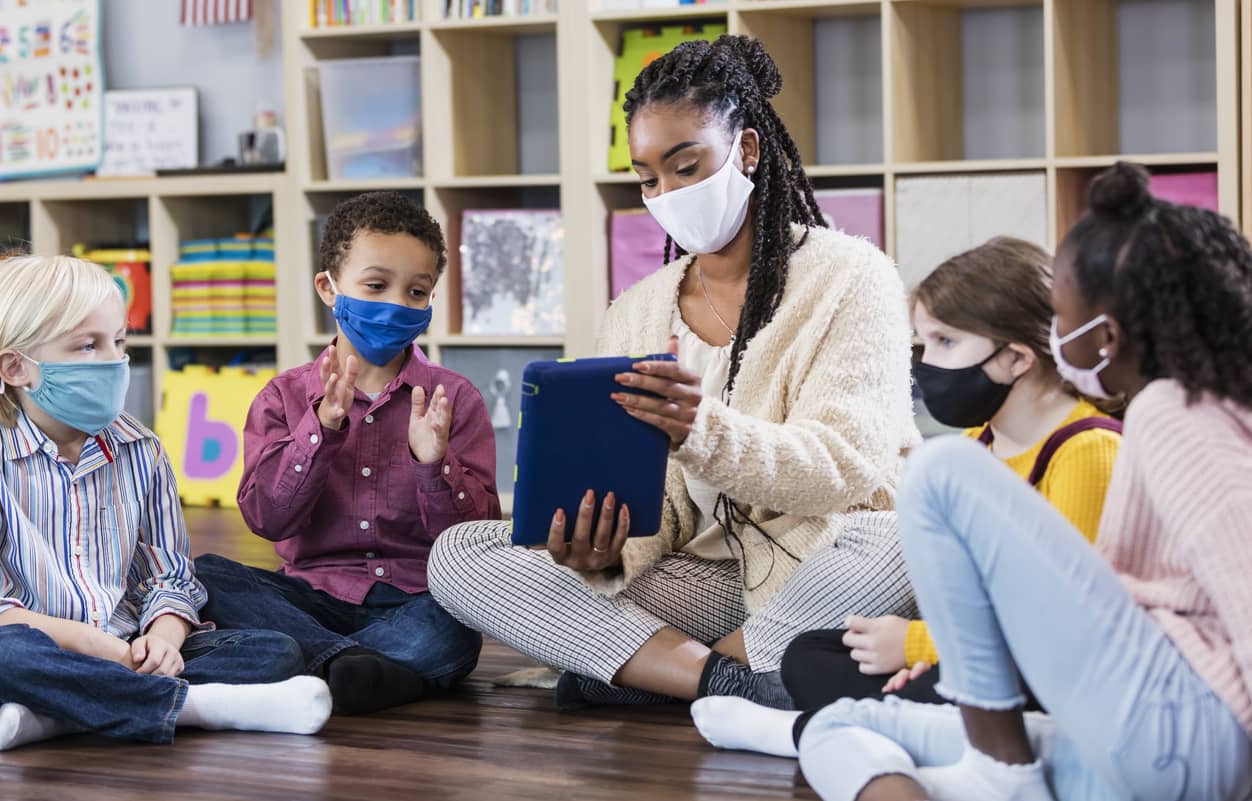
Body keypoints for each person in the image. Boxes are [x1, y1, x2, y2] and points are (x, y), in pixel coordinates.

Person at [703, 162, 1252, 801]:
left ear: (1105, 337)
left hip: (1182, 727)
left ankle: (997, 773)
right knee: (846, 725)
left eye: (1061, 317)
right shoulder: (1206, 403)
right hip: (1158, 733)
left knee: (938, 473)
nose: (1053, 335)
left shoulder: (1170, 414)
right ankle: (818, 735)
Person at [427, 34, 919, 711]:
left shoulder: (850, 276)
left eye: (687, 167)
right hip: (705, 573)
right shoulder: (636, 312)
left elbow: (846, 467)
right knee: (459, 554)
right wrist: (601, 551)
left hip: (829, 554)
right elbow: (661, 512)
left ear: (746, 150)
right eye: (650, 178)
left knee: (899, 539)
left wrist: (701, 430)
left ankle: (636, 667)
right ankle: (729, 683)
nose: (667, 193)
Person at [695, 237, 1121, 755]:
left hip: (1052, 664)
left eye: (945, 342)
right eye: (922, 342)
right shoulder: (973, 448)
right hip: (978, 651)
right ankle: (900, 726)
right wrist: (927, 652)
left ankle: (821, 733)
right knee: (809, 655)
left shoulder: (1086, 451)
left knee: (977, 681)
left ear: (1015, 357)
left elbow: (1061, 625)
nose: (925, 364)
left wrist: (918, 646)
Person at [0, 256, 330, 751]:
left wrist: (164, 640)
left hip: (127, 650)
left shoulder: (140, 448)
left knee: (274, 652)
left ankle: (58, 715)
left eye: (119, 342)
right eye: (89, 345)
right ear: (16, 367)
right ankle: (200, 709)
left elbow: (171, 576)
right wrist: (88, 644)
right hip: (36, 652)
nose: (114, 360)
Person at [195, 191, 498, 716]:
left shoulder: (455, 399)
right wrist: (320, 431)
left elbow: (477, 540)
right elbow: (267, 519)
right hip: (309, 598)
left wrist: (434, 465)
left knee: (452, 630)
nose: (396, 305)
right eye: (376, 285)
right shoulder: (283, 397)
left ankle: (314, 666)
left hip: (414, 601)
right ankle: (360, 670)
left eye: (417, 291)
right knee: (205, 575)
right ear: (328, 288)